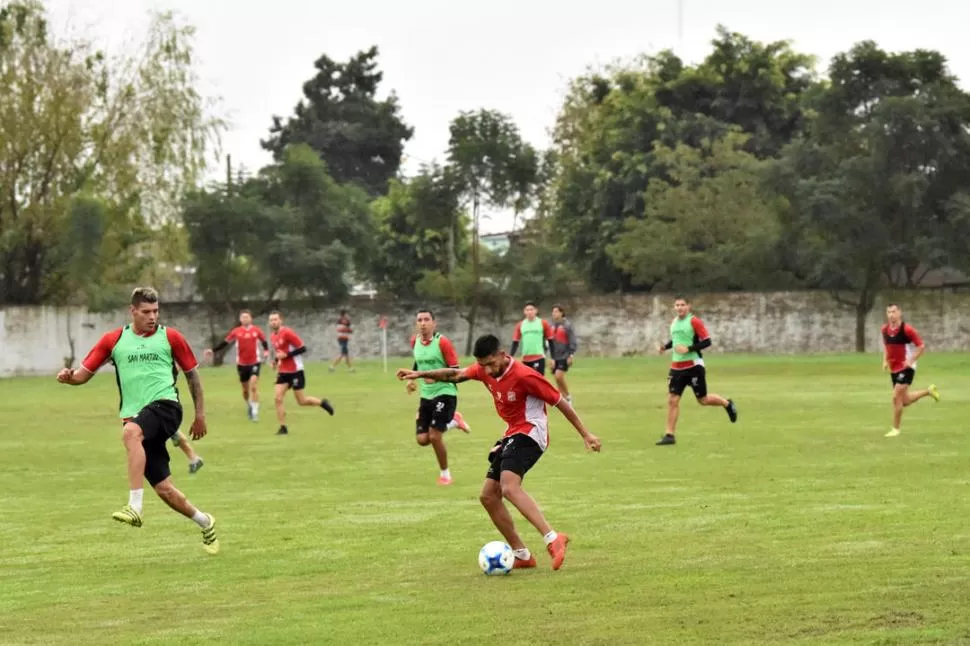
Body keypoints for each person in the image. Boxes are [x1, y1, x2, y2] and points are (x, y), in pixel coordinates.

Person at [396, 334, 601, 571]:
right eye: (483, 365)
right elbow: (455, 374)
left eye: (491, 363)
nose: (488, 370)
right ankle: (522, 554)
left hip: (531, 432)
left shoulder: (525, 375)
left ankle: (553, 539)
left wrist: (586, 434)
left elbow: (560, 402)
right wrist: (419, 374)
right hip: (512, 433)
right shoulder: (484, 369)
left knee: (509, 486)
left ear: (502, 355)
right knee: (488, 496)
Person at [55, 287, 219, 555]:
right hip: (137, 417)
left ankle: (135, 506)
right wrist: (67, 377)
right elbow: (82, 375)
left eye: (156, 311)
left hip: (166, 406)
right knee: (165, 489)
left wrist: (200, 415)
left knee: (130, 433)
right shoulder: (114, 340)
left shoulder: (171, 337)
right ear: (132, 311)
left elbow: (192, 376)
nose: (152, 317)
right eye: (146, 312)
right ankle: (205, 522)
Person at [655, 296, 738, 446]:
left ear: (689, 306)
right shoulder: (674, 323)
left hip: (693, 366)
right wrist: (664, 347)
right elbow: (676, 340)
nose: (679, 307)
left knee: (703, 400)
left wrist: (689, 349)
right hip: (676, 367)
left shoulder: (694, 321)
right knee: (672, 400)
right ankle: (669, 435)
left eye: (682, 305)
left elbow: (707, 341)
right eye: (677, 305)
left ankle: (727, 403)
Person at [405, 309, 471, 485]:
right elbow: (418, 362)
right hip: (426, 395)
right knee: (422, 439)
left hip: (445, 392)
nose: (423, 323)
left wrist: (433, 376)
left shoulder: (443, 343)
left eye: (427, 319)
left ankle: (445, 475)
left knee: (435, 436)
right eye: (419, 320)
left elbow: (456, 371)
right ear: (416, 323)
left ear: (434, 323)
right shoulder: (415, 342)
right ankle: (454, 421)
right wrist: (412, 379)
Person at [268, 310, 335, 435]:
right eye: (271, 320)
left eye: (275, 319)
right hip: (283, 372)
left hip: (295, 370)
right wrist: (275, 361)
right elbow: (279, 352)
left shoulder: (287, 332)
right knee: (277, 399)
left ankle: (322, 403)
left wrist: (287, 355)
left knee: (302, 401)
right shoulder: (273, 336)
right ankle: (283, 428)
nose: (273, 322)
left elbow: (303, 348)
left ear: (280, 320)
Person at [881, 303, 940, 437]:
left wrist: (911, 360)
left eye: (894, 312)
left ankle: (895, 429)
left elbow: (921, 347)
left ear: (899, 313)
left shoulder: (907, 330)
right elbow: (886, 346)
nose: (891, 315)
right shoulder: (884, 329)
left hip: (907, 368)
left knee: (896, 397)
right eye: (889, 312)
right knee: (905, 400)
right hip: (894, 368)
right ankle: (928, 391)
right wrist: (885, 361)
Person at [203, 309, 270, 421]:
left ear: (251, 318)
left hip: (255, 362)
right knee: (245, 390)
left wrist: (266, 350)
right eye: (243, 317)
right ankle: (249, 405)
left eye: (247, 317)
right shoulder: (236, 331)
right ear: (240, 319)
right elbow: (225, 343)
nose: (245, 319)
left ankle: (255, 412)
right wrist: (213, 351)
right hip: (242, 364)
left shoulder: (256, 330)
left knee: (253, 386)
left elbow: (264, 341)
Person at [509, 302, 555, 375]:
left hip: (539, 358)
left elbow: (551, 341)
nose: (529, 312)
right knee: (527, 383)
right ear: (524, 312)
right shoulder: (520, 325)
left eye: (531, 309)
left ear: (536, 311)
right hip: (525, 359)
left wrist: (553, 358)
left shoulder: (543, 323)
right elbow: (515, 342)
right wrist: (510, 356)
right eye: (527, 310)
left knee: (538, 382)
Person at [549, 305, 577, 404]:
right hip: (554, 356)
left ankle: (568, 396)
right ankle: (563, 399)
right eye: (553, 312)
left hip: (564, 355)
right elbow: (549, 342)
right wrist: (551, 357)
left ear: (561, 313)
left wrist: (571, 355)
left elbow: (573, 340)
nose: (554, 314)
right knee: (557, 379)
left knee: (558, 376)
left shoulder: (567, 325)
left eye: (556, 311)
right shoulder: (551, 325)